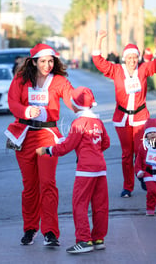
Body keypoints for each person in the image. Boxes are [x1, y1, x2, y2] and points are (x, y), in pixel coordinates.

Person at [92, 28, 156, 198]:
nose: (132, 61)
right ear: (124, 58)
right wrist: (99, 39)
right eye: (129, 58)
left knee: (142, 149)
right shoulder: (117, 70)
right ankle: (128, 186)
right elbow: (98, 61)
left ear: (138, 58)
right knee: (127, 154)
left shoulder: (144, 69)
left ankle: (144, 175)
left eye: (134, 57)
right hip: (122, 118)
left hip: (140, 118)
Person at [4, 43, 74, 247]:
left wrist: (84, 104)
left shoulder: (58, 80)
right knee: (30, 186)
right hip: (24, 136)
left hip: (48, 136)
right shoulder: (21, 79)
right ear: (33, 62)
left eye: (51, 60)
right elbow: (12, 102)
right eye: (43, 61)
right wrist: (26, 111)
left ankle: (50, 232)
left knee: (48, 184)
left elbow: (71, 98)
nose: (47, 65)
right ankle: (30, 228)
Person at [36, 86, 110, 254]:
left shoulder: (78, 123)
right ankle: (98, 238)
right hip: (100, 168)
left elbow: (67, 146)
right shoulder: (97, 122)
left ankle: (84, 240)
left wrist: (48, 150)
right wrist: (93, 151)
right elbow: (105, 142)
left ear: (77, 105)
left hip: (85, 170)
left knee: (80, 204)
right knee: (100, 205)